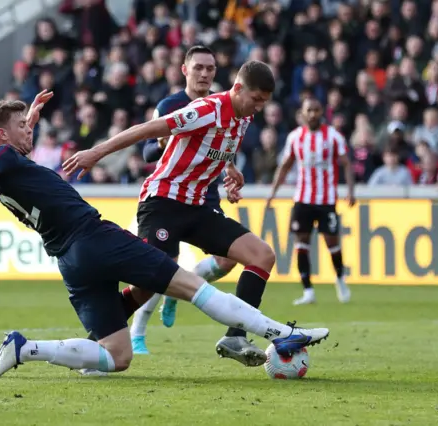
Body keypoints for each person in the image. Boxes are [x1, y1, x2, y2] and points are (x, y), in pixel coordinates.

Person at [0, 91, 330, 378]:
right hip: (95, 236)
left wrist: (26, 118)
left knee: (117, 355)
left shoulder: (8, 165)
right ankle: (279, 332)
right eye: (22, 126)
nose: (29, 130)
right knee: (191, 284)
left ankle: (25, 349)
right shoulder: (0, 158)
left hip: (70, 261)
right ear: (2, 136)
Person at [63, 61, 289, 368]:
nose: (260, 108)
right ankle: (92, 344)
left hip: (197, 207)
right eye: (256, 99)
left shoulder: (244, 114)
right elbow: (147, 129)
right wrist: (96, 152)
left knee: (262, 255)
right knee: (151, 282)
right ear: (237, 89)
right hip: (163, 202)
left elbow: (222, 143)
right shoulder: (207, 109)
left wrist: (231, 169)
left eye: (265, 102)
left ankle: (235, 336)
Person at [131, 45, 239, 356]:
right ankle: (137, 333)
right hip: (171, 195)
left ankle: (176, 293)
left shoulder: (223, 105)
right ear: (185, 71)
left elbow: (228, 146)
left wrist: (232, 171)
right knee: (160, 267)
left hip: (206, 194)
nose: (204, 73)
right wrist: (165, 142)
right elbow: (147, 151)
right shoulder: (170, 105)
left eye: (210, 68)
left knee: (227, 259)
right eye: (198, 68)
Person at [267, 98, 355, 305]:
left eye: (316, 110)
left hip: (327, 200)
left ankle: (340, 278)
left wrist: (351, 191)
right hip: (303, 200)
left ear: (321, 111)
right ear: (303, 113)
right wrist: (272, 193)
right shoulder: (295, 137)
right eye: (309, 110)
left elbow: (346, 164)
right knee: (301, 243)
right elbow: (285, 166)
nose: (313, 114)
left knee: (332, 242)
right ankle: (308, 291)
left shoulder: (333, 136)